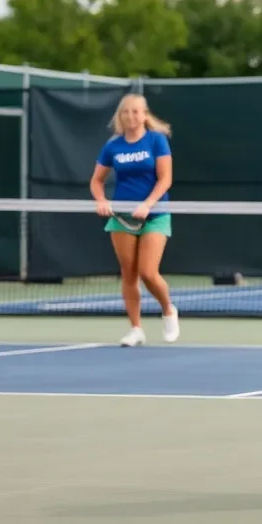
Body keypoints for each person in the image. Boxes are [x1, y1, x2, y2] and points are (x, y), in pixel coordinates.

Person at [89, 93, 180, 348]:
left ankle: (168, 310)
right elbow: (96, 180)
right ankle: (136, 329)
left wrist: (148, 204)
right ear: (120, 116)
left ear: (145, 114)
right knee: (128, 274)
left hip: (155, 214)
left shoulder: (156, 141)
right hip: (121, 216)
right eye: (126, 112)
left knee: (148, 272)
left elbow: (165, 179)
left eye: (136, 111)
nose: (131, 116)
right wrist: (101, 200)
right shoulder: (113, 146)